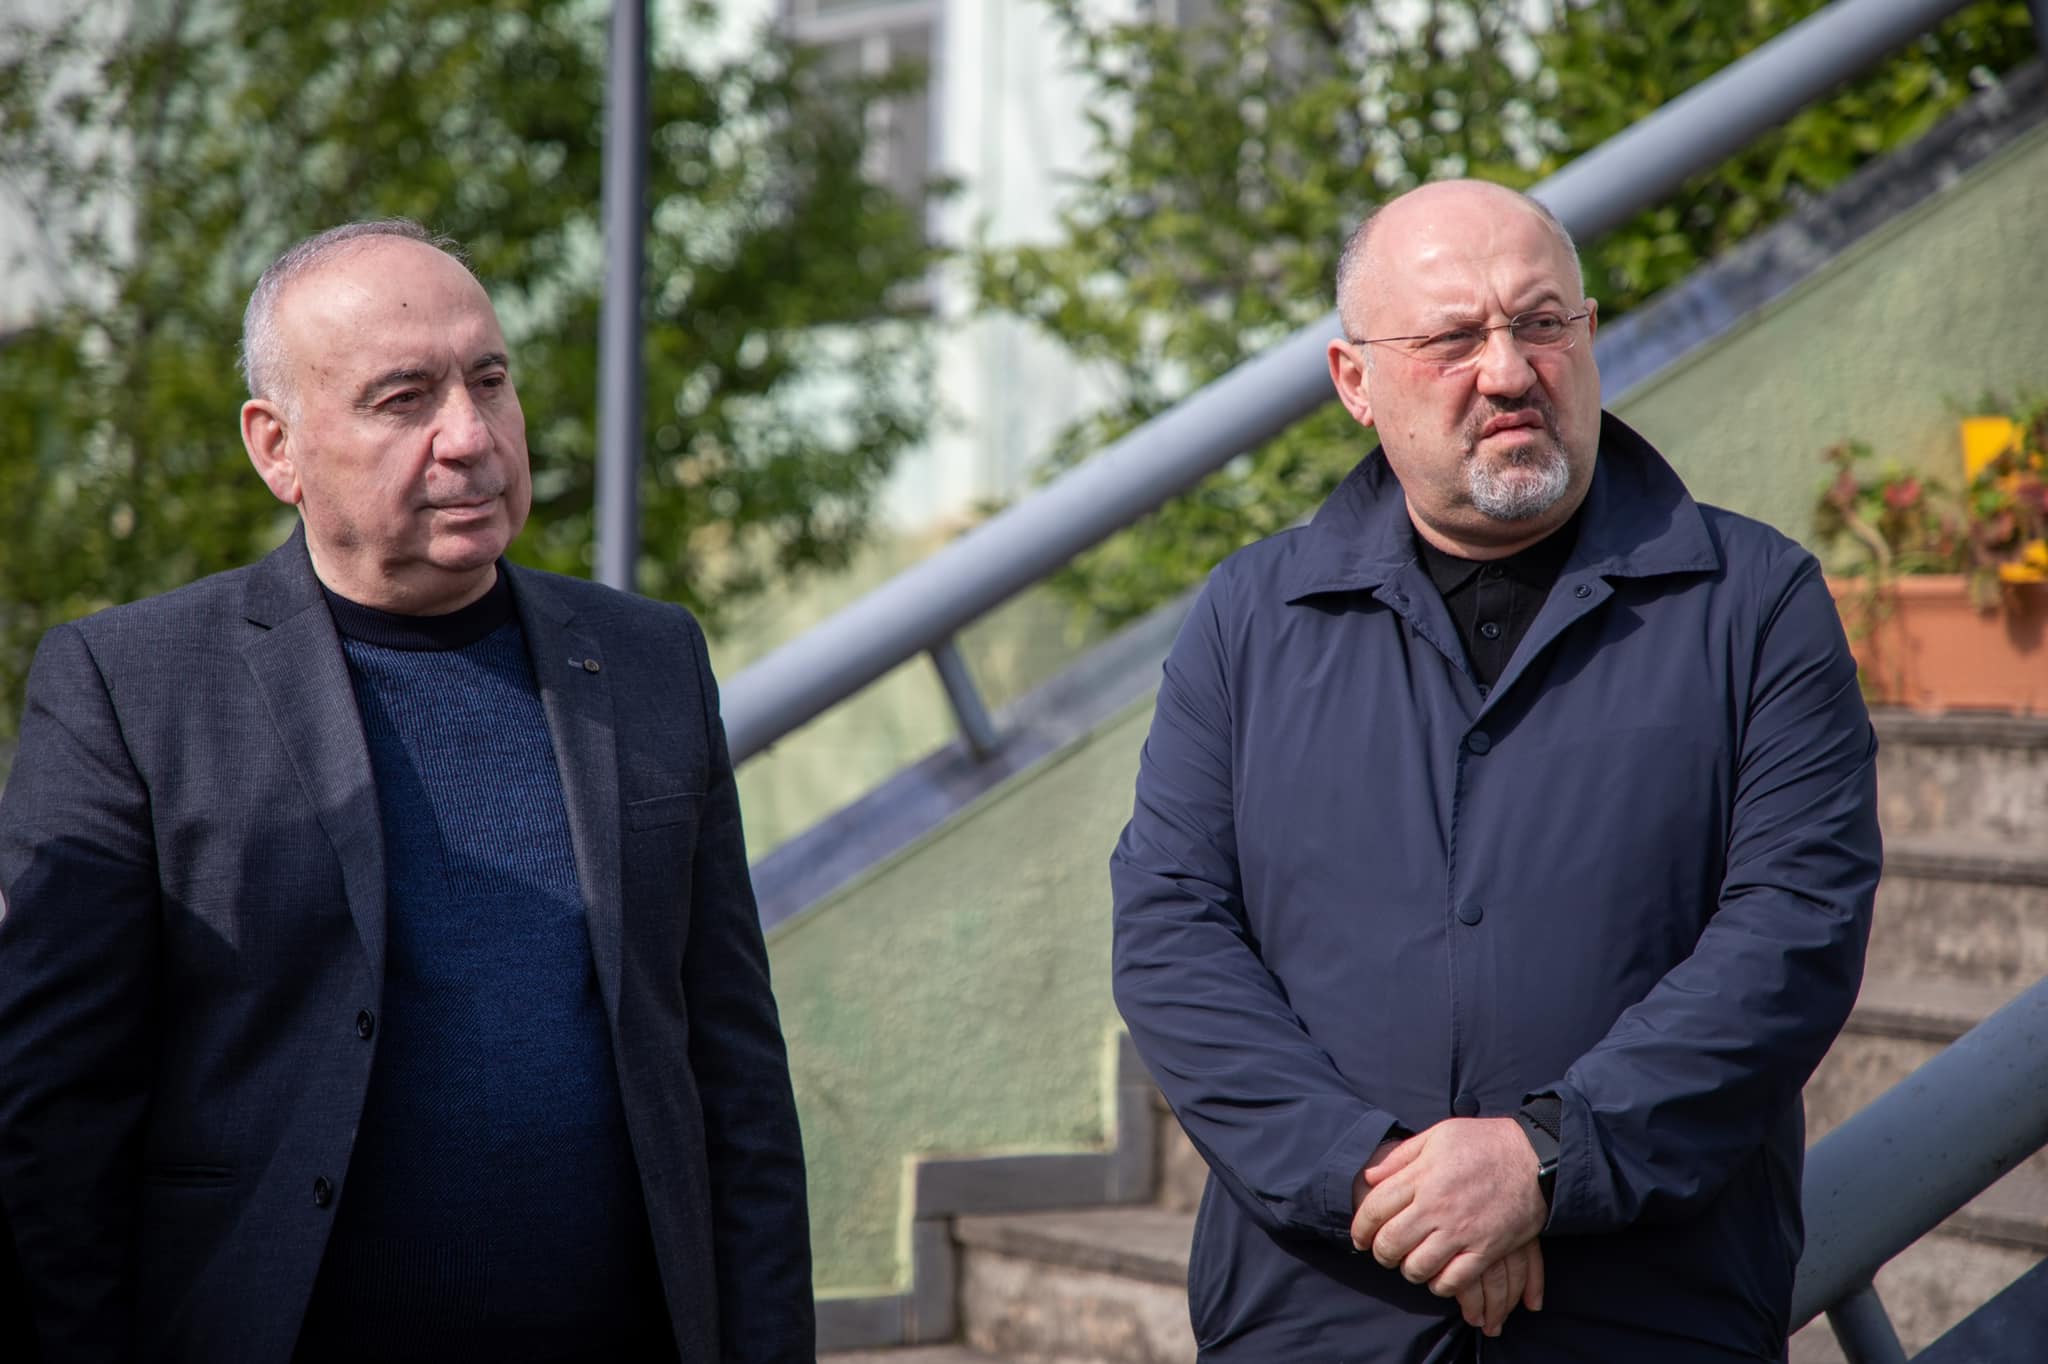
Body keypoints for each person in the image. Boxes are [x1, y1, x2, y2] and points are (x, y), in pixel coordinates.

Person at [0, 220, 814, 1364]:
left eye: (490, 379)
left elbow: (734, 1081)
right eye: (404, 398)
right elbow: (54, 1122)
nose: (469, 436)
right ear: (276, 446)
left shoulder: (647, 658)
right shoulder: (132, 686)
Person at [1110, 179, 1881, 1361]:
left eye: (1540, 323)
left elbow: (1790, 929)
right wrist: (1378, 1183)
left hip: (1644, 1307)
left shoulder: (1751, 603)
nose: (1508, 370)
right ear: (1353, 381)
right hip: (1319, 1310)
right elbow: (1172, 932)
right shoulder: (1251, 619)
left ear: (1588, 336)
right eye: (1451, 338)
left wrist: (1545, 1159)